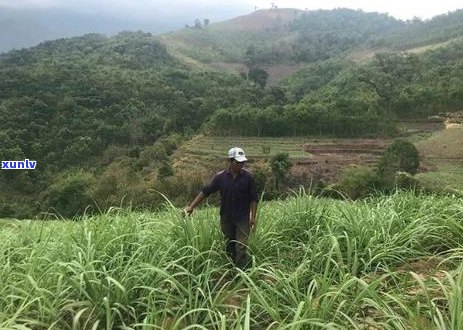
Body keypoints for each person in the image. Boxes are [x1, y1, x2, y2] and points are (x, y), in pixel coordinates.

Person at [184, 147, 258, 269]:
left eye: (242, 162)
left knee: (241, 246)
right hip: (226, 216)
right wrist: (192, 206)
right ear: (230, 161)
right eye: (238, 162)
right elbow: (206, 191)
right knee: (229, 243)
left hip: (243, 217)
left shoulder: (248, 178)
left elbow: (253, 198)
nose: (241, 165)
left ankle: (241, 273)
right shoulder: (220, 177)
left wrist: (253, 217)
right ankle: (230, 268)